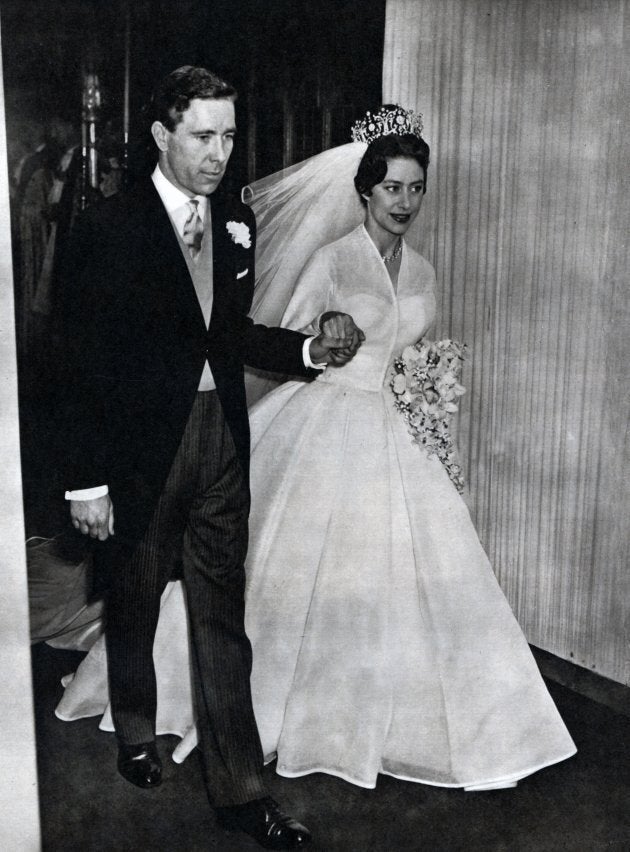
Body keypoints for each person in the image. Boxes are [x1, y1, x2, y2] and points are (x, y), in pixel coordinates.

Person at [56, 106, 576, 796]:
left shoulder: (422, 269)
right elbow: (273, 333)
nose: (405, 202)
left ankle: (387, 719)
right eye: (391, 187)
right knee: (266, 584)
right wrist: (319, 341)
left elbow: (411, 351)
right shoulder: (332, 259)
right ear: (363, 191)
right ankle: (197, 717)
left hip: (397, 438)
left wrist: (427, 390)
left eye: (416, 188)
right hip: (326, 426)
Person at [57, 65, 364, 850]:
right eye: (203, 135)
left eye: (228, 135)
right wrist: (86, 480)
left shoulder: (236, 222)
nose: (220, 153)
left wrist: (307, 349)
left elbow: (226, 335)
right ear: (162, 134)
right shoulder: (105, 226)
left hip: (222, 440)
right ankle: (134, 729)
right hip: (138, 453)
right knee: (130, 596)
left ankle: (241, 792)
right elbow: (77, 362)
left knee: (222, 622)